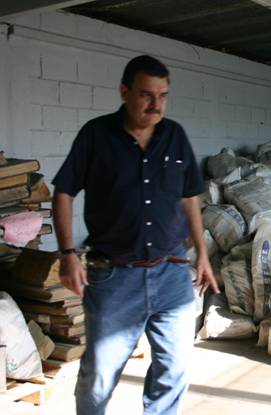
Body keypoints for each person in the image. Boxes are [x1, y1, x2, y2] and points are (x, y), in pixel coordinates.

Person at [52, 55, 219, 415]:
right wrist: (67, 253)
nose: (156, 104)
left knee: (174, 370)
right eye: (146, 95)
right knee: (99, 377)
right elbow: (63, 191)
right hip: (114, 277)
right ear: (124, 92)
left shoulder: (174, 136)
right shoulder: (96, 135)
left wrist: (202, 254)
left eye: (163, 95)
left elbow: (190, 197)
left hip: (171, 270)